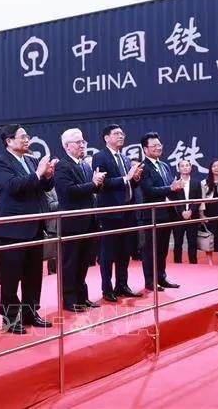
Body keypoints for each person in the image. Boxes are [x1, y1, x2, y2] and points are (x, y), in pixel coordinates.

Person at [0, 124, 56, 334]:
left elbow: (42, 188)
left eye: (27, 136)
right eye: (22, 137)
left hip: (35, 226)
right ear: (9, 141)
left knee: (33, 273)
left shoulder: (30, 160)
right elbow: (13, 187)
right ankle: (10, 318)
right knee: (11, 276)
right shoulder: (1, 162)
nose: (27, 140)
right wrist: (38, 173)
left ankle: (30, 312)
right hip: (13, 230)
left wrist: (47, 176)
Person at [54, 128, 104, 312]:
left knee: (84, 261)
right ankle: (69, 299)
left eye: (83, 141)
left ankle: (82, 296)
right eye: (78, 142)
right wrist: (93, 184)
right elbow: (68, 191)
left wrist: (97, 184)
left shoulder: (84, 164)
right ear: (67, 146)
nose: (82, 145)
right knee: (70, 262)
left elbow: (91, 190)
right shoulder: (62, 165)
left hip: (88, 220)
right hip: (72, 221)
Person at [91, 124, 143, 302]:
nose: (121, 136)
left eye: (122, 133)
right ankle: (107, 288)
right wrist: (125, 178)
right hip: (110, 213)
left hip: (127, 211)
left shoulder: (125, 158)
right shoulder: (99, 157)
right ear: (107, 138)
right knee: (108, 253)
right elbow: (102, 184)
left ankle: (122, 284)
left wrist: (134, 179)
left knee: (124, 251)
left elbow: (129, 184)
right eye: (116, 134)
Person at [138, 132, 183, 291]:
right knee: (151, 249)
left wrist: (175, 188)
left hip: (168, 213)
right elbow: (149, 190)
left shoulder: (164, 165)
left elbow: (170, 188)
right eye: (154, 146)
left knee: (163, 248)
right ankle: (150, 281)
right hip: (152, 214)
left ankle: (161, 277)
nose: (158, 148)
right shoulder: (143, 167)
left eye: (159, 145)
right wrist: (170, 188)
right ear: (145, 149)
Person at [172, 160, 202, 264]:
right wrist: (182, 212)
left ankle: (193, 263)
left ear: (191, 167)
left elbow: (199, 199)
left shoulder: (196, 182)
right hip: (178, 217)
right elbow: (174, 199)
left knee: (192, 242)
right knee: (178, 242)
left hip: (193, 216)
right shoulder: (175, 182)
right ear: (178, 168)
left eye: (187, 165)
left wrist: (190, 211)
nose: (185, 168)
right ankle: (177, 263)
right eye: (182, 166)